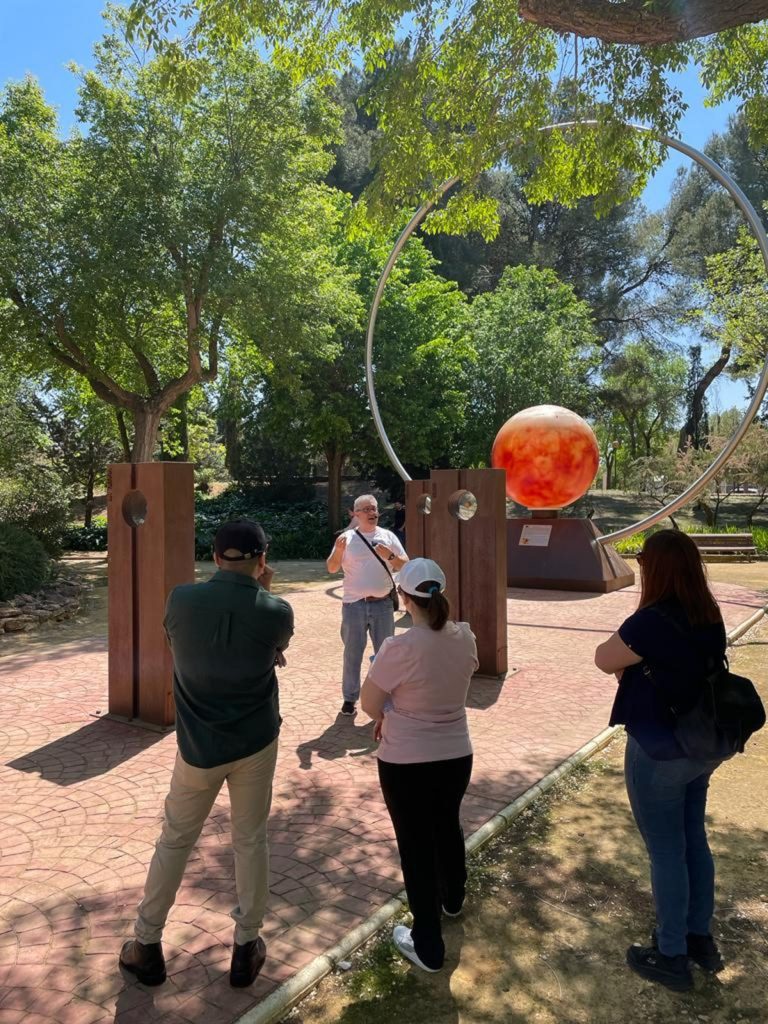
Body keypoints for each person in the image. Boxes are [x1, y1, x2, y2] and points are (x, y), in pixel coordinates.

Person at [119, 519, 294, 989]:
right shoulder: (276, 610)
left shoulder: (180, 600)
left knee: (175, 840)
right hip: (256, 741)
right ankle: (246, 946)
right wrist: (262, 591)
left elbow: (182, 645)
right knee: (250, 840)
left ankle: (147, 943)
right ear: (262, 559)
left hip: (197, 746)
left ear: (215, 557)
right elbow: (274, 645)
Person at [594, 529, 727, 992]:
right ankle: (699, 938)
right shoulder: (709, 614)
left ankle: (671, 955)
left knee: (667, 851)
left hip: (658, 750)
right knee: (693, 840)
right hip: (701, 746)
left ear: (656, 569)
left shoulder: (649, 621)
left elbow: (603, 658)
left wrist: (631, 668)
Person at [360, 558, 478, 973]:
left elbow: (369, 703)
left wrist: (387, 714)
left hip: (406, 760)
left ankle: (427, 944)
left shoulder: (399, 647)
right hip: (456, 753)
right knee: (447, 824)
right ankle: (453, 897)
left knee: (415, 846)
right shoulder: (465, 637)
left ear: (404, 597)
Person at [326, 494, 408, 716]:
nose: (372, 513)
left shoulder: (388, 536)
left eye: (374, 509)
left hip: (383, 605)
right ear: (356, 514)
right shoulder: (346, 539)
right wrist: (339, 552)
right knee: (352, 654)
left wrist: (390, 556)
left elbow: (405, 565)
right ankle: (349, 698)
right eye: (367, 509)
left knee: (385, 654)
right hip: (353, 606)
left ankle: (386, 697)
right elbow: (331, 568)